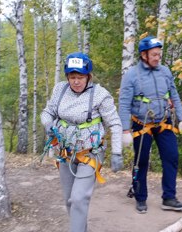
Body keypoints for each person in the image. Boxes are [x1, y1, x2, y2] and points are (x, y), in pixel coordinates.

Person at [41, 52, 123, 232]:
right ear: (67, 77)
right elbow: (47, 112)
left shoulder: (100, 95)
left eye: (80, 77)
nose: (76, 81)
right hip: (65, 154)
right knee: (70, 200)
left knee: (78, 198)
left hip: (90, 153)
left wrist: (117, 152)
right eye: (72, 77)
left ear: (88, 76)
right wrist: (47, 124)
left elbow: (115, 123)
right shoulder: (60, 90)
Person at [118, 36, 182, 214]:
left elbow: (175, 95)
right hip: (142, 124)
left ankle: (169, 198)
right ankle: (140, 197)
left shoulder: (165, 71)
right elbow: (124, 104)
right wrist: (125, 129)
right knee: (141, 161)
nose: (157, 57)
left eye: (159, 54)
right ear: (144, 55)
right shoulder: (132, 75)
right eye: (154, 54)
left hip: (164, 122)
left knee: (172, 157)